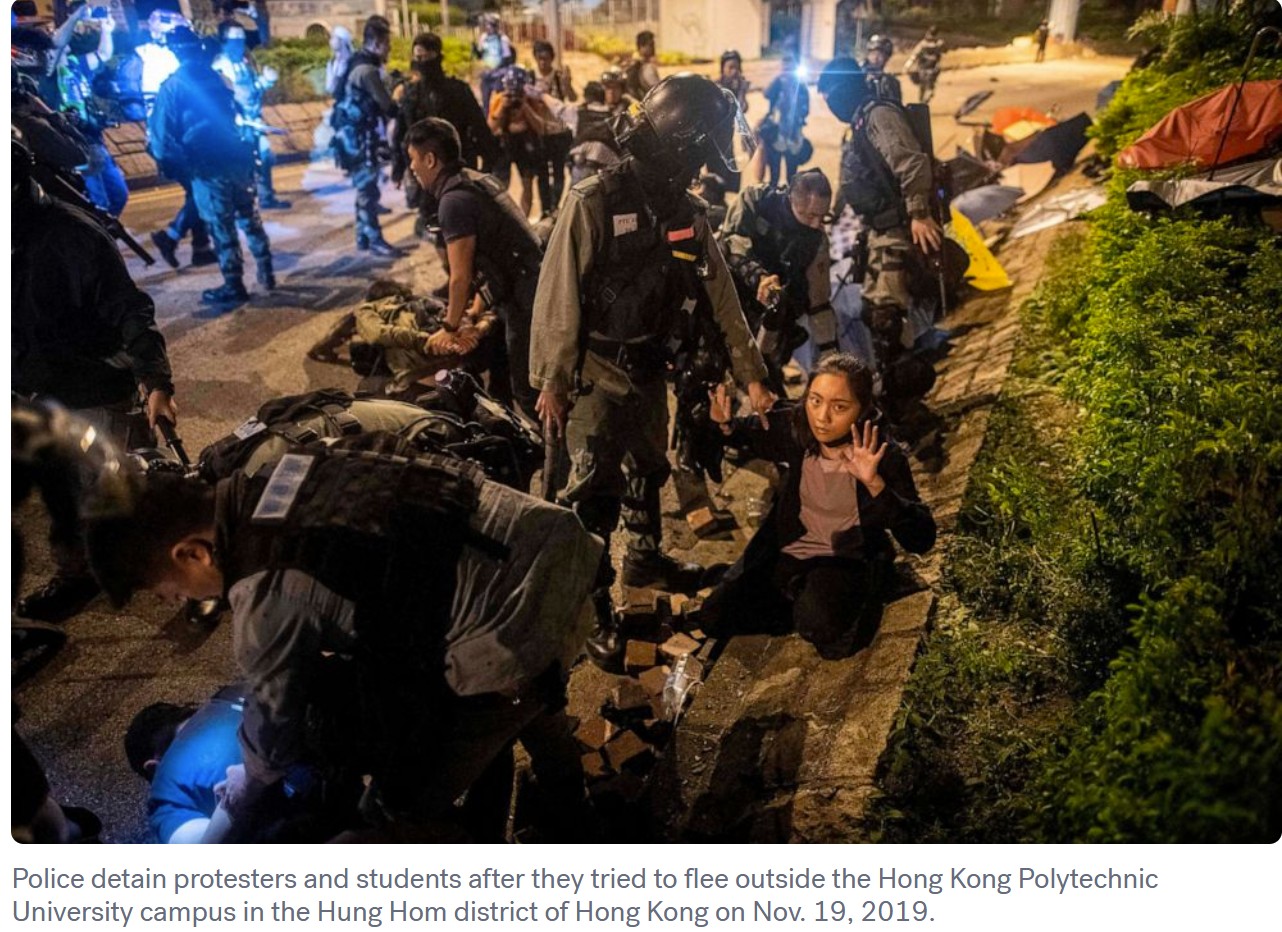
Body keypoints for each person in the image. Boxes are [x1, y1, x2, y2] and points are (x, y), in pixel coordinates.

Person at [85, 442, 603, 842]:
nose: (180, 601)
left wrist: (245, 785)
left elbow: (271, 740)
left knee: (392, 813)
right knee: (540, 703)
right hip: (554, 545)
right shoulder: (285, 470)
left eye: (171, 592)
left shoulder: (264, 593)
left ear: (193, 554)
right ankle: (573, 811)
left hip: (516, 627)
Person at [530, 73, 775, 667]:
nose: (706, 164)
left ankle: (643, 561)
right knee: (591, 495)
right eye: (703, 151)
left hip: (645, 369)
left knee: (647, 469)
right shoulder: (593, 200)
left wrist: (752, 373)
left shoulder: (685, 210)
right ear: (681, 146)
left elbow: (720, 296)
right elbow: (558, 293)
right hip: (593, 373)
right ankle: (593, 610)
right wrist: (553, 381)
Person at [12, 139, 177, 622]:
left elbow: (131, 309)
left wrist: (156, 382)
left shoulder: (72, 235)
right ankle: (80, 570)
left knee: (118, 492)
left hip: (91, 384)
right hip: (30, 383)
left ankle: (184, 557)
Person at [703, 353, 935, 658]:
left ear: (862, 409)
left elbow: (922, 537)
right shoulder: (798, 425)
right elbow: (753, 433)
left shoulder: (881, 453)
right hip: (790, 550)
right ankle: (785, 594)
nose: (822, 417)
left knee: (822, 630)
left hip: (842, 557)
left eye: (839, 407)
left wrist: (875, 485)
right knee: (712, 617)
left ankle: (874, 579)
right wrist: (726, 425)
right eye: (815, 401)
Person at [820, 58, 942, 419]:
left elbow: (911, 163)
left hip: (897, 229)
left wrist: (919, 213)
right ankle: (895, 396)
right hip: (877, 231)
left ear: (844, 89)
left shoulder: (878, 115)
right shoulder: (859, 122)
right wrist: (833, 213)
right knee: (875, 315)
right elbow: (852, 178)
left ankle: (904, 404)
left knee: (886, 317)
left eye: (830, 95)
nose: (829, 104)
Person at [407, 118, 544, 417]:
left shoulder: (453, 202)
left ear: (430, 160)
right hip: (527, 284)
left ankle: (558, 445)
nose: (412, 167)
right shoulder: (479, 180)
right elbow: (499, 252)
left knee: (528, 392)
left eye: (413, 159)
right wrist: (473, 312)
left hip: (526, 299)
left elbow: (460, 277)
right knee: (503, 370)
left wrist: (449, 328)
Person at [149, 27, 274, 304]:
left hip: (207, 166)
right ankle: (266, 272)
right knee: (250, 218)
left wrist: (177, 164)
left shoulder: (173, 86)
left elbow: (160, 141)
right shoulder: (218, 78)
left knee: (222, 225)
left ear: (175, 52)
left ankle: (233, 284)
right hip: (237, 159)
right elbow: (236, 113)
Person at [721, 169, 840, 390]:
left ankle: (763, 369)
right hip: (734, 299)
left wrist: (831, 356)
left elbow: (819, 302)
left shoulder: (816, 240)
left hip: (774, 318)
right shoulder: (757, 201)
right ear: (792, 200)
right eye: (810, 216)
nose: (817, 224)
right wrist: (761, 278)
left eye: (822, 216)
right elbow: (731, 247)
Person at [352, 281, 498, 397]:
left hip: (417, 378)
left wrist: (426, 342)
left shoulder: (369, 307)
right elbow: (476, 313)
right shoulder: (425, 300)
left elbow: (377, 333)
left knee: (367, 389)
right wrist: (475, 331)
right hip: (459, 366)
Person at [52, 2, 129, 216]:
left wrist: (106, 29)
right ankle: (101, 234)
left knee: (119, 195)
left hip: (94, 140)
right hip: (75, 142)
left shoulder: (76, 64)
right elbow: (58, 40)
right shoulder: (51, 74)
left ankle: (106, 229)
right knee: (98, 202)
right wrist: (77, 15)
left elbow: (103, 53)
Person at [333, 16, 401, 257]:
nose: (389, 48)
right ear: (376, 43)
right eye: (387, 43)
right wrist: (398, 92)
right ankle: (374, 239)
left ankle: (362, 236)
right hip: (359, 139)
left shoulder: (357, 62)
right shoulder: (367, 70)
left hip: (352, 137)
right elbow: (388, 107)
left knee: (364, 188)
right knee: (368, 190)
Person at [213, 24, 290, 209]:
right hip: (236, 124)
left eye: (241, 41)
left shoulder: (245, 63)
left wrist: (265, 81)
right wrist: (231, 116)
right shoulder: (220, 66)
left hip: (253, 120)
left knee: (264, 156)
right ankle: (240, 201)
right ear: (225, 42)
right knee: (241, 162)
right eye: (235, 41)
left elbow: (253, 90)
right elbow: (219, 96)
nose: (240, 45)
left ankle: (265, 197)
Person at [487, 66, 550, 218]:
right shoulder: (499, 99)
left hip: (525, 145)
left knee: (527, 183)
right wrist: (503, 107)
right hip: (505, 144)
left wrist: (525, 106)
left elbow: (541, 127)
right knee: (500, 184)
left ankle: (523, 219)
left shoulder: (531, 100)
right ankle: (500, 219)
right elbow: (491, 128)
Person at [531, 39, 575, 217]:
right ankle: (545, 208)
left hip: (559, 131)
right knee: (541, 174)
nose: (543, 62)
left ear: (552, 58)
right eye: (539, 58)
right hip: (539, 132)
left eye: (546, 58)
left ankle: (555, 206)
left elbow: (572, 98)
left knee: (558, 171)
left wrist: (567, 84)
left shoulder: (558, 76)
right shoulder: (530, 77)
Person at [760, 53, 811, 186]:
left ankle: (791, 196)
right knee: (774, 174)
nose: (788, 72)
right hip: (776, 134)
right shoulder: (778, 83)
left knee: (792, 175)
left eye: (790, 68)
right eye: (785, 68)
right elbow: (766, 94)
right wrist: (778, 79)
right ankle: (773, 195)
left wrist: (799, 113)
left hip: (793, 135)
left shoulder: (800, 86)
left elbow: (806, 109)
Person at [714, 50, 750, 191]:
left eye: (737, 67)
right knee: (718, 173)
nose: (734, 71)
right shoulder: (716, 86)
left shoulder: (737, 85)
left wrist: (742, 91)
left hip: (729, 135)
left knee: (733, 171)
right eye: (730, 67)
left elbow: (743, 108)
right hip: (715, 137)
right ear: (722, 68)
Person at [473, 13, 515, 113]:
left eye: (491, 25)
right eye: (487, 25)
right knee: (485, 102)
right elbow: (480, 55)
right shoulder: (483, 38)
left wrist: (494, 69)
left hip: (499, 75)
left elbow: (507, 58)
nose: (488, 27)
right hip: (486, 75)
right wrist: (475, 50)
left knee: (499, 102)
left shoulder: (503, 39)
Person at [904, 27, 945, 103]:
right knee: (930, 88)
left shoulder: (922, 44)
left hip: (922, 69)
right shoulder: (938, 44)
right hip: (932, 70)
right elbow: (940, 56)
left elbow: (914, 56)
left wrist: (907, 66)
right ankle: (924, 102)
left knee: (922, 88)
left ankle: (921, 103)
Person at [862, 33, 902, 104]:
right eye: (873, 53)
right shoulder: (858, 77)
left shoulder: (891, 82)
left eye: (880, 54)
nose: (875, 58)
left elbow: (896, 107)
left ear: (887, 57)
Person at [625, 30, 661, 101]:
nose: (653, 48)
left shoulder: (644, 64)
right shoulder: (639, 66)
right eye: (650, 45)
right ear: (641, 47)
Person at [324, 25, 353, 97]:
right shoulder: (331, 63)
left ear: (342, 40)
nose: (331, 41)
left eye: (334, 37)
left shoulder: (352, 61)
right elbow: (329, 88)